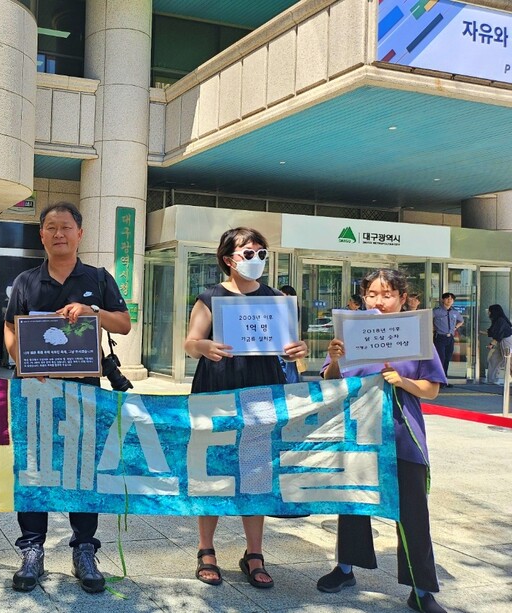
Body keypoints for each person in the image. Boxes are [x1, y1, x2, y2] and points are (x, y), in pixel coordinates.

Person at [4, 202, 130, 594]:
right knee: (33, 467)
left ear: (80, 233)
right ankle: (31, 549)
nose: (59, 234)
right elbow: (9, 330)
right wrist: (22, 360)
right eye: (51, 227)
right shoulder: (25, 281)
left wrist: (92, 310)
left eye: (66, 227)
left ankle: (85, 549)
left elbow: (123, 324)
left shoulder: (98, 277)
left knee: (83, 469)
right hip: (34, 390)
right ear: (41, 235)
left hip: (85, 393)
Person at [183, 227, 308, 589]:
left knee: (256, 469)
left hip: (261, 388)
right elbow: (191, 341)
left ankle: (254, 552)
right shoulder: (211, 297)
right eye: (248, 254)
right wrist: (204, 347)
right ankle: (206, 550)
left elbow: (291, 348)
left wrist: (298, 350)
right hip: (217, 386)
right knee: (213, 467)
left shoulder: (276, 299)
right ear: (228, 259)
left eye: (261, 254)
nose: (256, 261)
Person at [317, 268, 447, 613]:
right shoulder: (352, 331)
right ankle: (345, 568)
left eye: (387, 294)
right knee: (352, 502)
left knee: (412, 511)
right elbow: (331, 381)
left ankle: (421, 589)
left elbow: (431, 389)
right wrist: (333, 358)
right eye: (372, 294)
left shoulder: (417, 335)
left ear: (403, 298)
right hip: (359, 430)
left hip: (403, 434)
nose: (379, 301)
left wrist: (402, 381)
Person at [432, 292, 462, 386]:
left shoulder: (455, 312)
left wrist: (455, 328)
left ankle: (444, 380)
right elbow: (428, 319)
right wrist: (433, 328)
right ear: (443, 300)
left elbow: (461, 321)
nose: (449, 300)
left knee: (447, 359)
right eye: (447, 298)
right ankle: (438, 380)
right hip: (440, 337)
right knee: (441, 358)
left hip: (450, 338)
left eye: (451, 299)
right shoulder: (437, 311)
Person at [482, 304, 512, 385]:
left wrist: (492, 343)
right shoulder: (498, 320)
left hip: (506, 341)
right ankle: (492, 379)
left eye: (489, 311)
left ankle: (492, 379)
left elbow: (499, 334)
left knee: (509, 361)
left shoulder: (500, 320)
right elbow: (493, 332)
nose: (488, 313)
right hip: (502, 341)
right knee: (494, 360)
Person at [278, 285, 301, 384]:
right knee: (287, 366)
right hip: (284, 342)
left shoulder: (291, 308)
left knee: (288, 366)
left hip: (287, 342)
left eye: (282, 294)